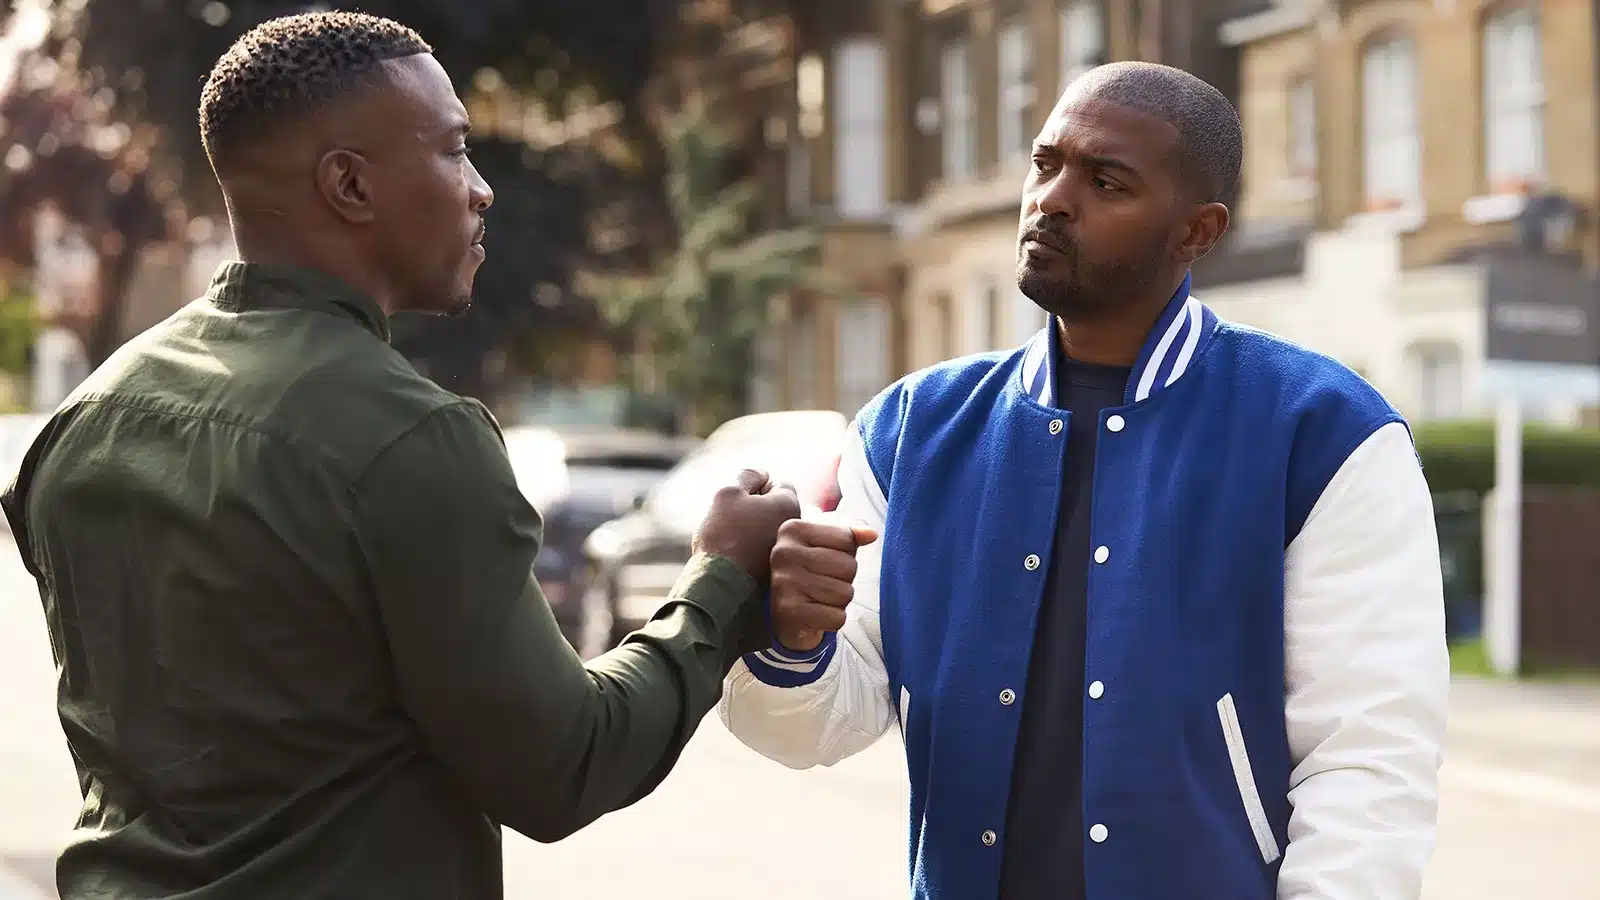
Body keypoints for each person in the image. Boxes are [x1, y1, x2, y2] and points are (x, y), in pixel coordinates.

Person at [1, 12, 798, 900]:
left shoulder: (83, 421)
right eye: (454, 151)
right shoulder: (411, 439)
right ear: (349, 184)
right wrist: (722, 578)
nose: (481, 189)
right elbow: (567, 762)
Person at [720, 61, 1449, 900]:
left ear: (1197, 231)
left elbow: (1369, 758)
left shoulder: (1323, 431)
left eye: (1106, 182)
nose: (1053, 200)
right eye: (1046, 164)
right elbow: (811, 730)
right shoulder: (912, 429)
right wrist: (791, 636)